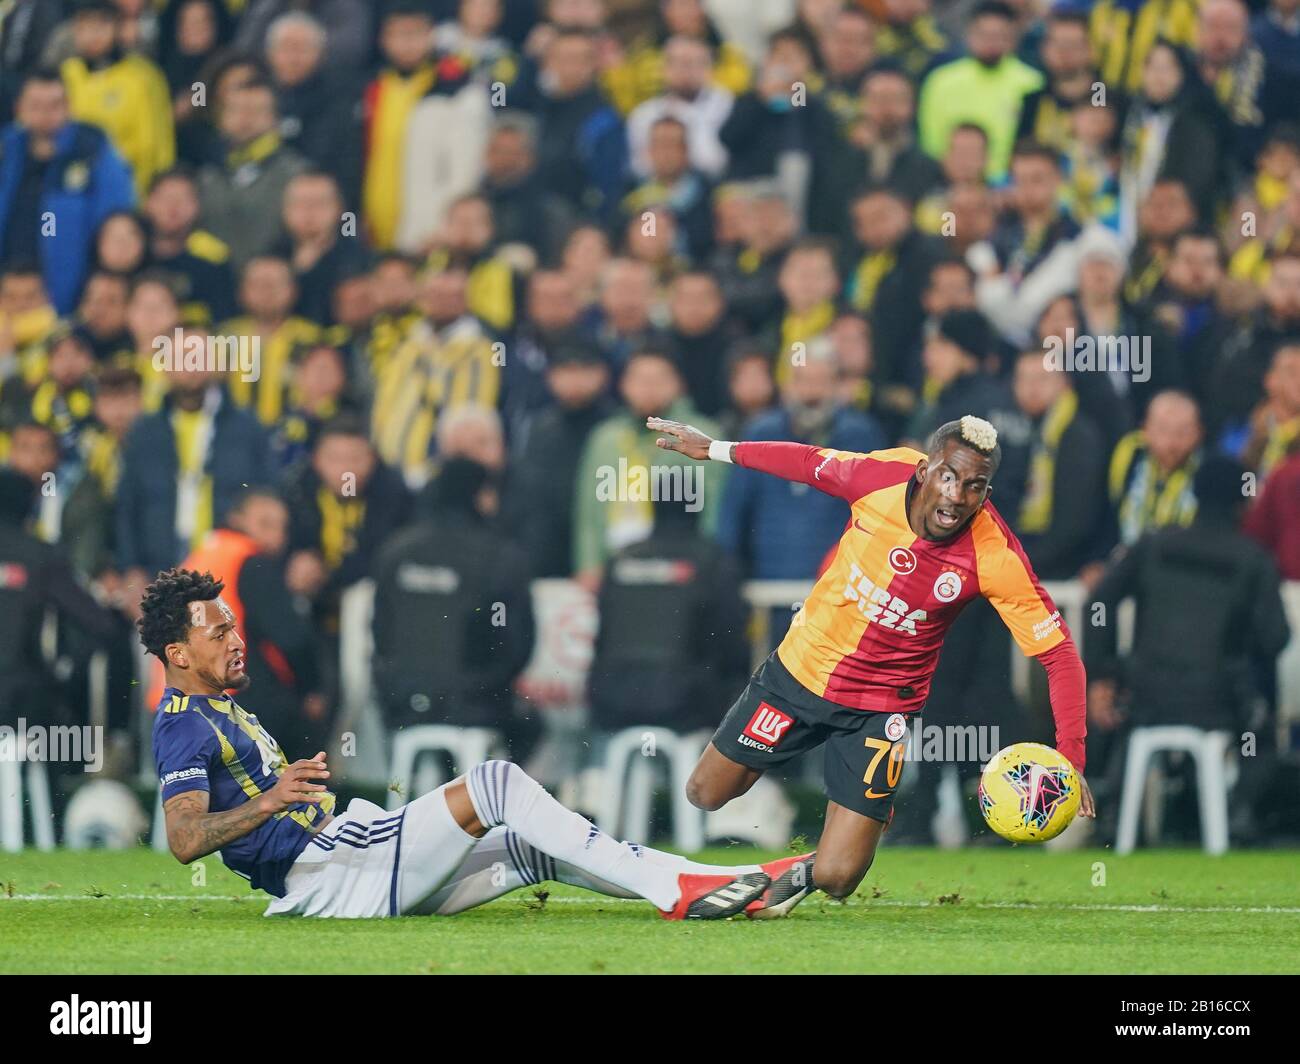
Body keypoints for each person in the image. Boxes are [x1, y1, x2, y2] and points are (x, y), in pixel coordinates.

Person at [147, 566, 790, 919]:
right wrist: (268, 803)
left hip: (342, 862)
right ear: (177, 653)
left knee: (530, 849)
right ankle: (675, 891)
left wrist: (284, 793)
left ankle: (723, 884)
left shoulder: (217, 706)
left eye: (233, 626)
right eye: (217, 633)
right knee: (496, 784)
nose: (235, 639)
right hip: (329, 873)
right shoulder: (181, 722)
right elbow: (182, 839)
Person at [646, 413, 1095, 915]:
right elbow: (804, 462)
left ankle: (836, 838)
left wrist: (1071, 761)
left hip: (880, 711)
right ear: (925, 470)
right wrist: (716, 449)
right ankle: (863, 816)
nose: (956, 496)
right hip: (797, 674)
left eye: (974, 486)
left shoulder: (994, 555)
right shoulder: (879, 476)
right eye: (949, 476)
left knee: (836, 879)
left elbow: (1059, 657)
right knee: (705, 793)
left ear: (986, 494)